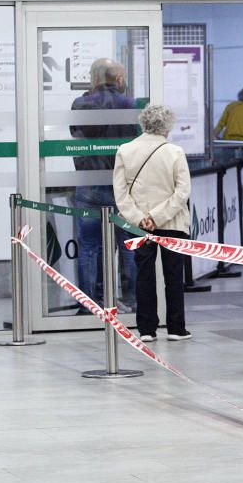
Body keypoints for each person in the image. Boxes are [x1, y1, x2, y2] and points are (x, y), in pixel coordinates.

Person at [113, 104, 192, 342]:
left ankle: (146, 328)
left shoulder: (125, 151)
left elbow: (120, 193)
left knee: (143, 274)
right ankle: (176, 328)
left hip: (138, 225)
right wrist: (159, 216)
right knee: (174, 275)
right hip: (173, 222)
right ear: (166, 126)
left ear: (142, 123)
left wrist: (140, 218)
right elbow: (183, 191)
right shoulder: (175, 152)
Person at [70, 58, 139, 313]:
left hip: (89, 183)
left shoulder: (80, 104)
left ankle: (89, 303)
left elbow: (75, 135)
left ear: (95, 78)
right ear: (119, 79)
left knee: (89, 247)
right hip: (122, 186)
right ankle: (133, 300)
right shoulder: (129, 104)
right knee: (128, 245)